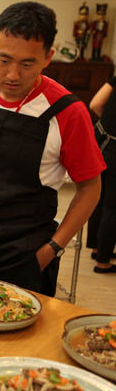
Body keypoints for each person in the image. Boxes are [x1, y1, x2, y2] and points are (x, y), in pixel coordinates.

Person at [0, 1, 105, 296]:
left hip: (23, 255)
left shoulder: (67, 112)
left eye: (27, 64)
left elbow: (90, 187)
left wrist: (51, 249)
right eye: (4, 59)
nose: (13, 74)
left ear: (48, 57)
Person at [87, 76, 116, 273]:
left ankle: (97, 248)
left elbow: (95, 104)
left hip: (102, 140)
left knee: (99, 197)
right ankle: (103, 261)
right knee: (113, 207)